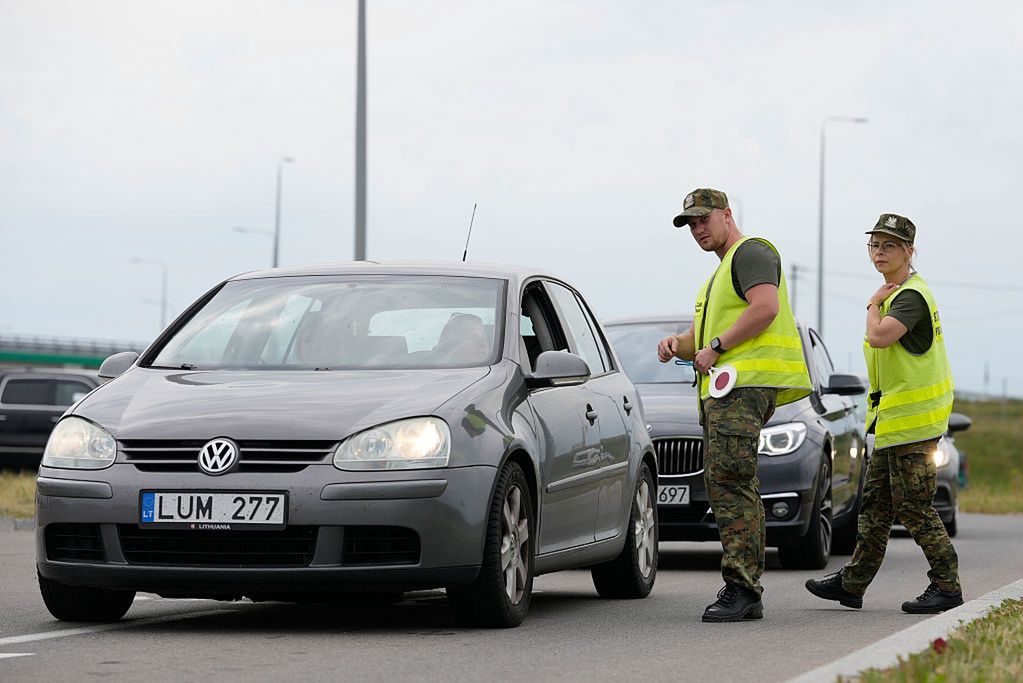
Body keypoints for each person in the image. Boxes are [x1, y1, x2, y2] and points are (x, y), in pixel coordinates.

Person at [658, 188, 812, 622]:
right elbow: (699, 342)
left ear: (728, 215)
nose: (698, 229)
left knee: (730, 481)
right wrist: (678, 345)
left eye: (704, 219)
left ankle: (742, 588)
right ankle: (745, 587)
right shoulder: (717, 278)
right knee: (728, 481)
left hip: (744, 388)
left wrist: (716, 345)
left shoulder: (751, 253)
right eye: (690, 224)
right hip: (728, 391)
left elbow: (765, 308)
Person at [805, 213, 963, 614]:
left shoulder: (908, 297)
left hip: (914, 425)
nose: (879, 251)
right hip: (895, 423)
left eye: (889, 245)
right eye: (874, 244)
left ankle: (947, 584)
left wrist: (872, 303)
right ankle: (853, 584)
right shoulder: (898, 294)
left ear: (909, 251)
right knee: (875, 506)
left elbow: (879, 337)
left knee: (913, 507)